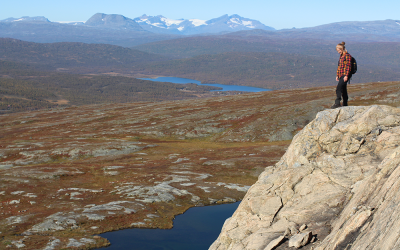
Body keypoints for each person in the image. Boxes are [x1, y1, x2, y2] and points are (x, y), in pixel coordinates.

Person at [331, 41, 352, 109]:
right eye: (337, 51)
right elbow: (339, 66)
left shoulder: (347, 56)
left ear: (341, 49)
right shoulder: (341, 56)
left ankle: (337, 103)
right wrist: (337, 75)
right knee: (343, 89)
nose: (338, 52)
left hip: (345, 75)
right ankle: (345, 103)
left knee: (339, 88)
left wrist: (346, 75)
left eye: (338, 50)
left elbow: (348, 66)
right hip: (341, 75)